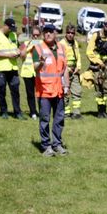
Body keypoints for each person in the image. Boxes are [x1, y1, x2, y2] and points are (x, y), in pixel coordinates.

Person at [33, 25, 70, 155]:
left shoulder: (61, 48)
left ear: (55, 33)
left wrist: (67, 86)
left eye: (50, 32)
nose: (48, 34)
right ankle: (46, 146)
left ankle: (57, 144)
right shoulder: (38, 48)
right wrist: (41, 63)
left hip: (59, 90)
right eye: (46, 32)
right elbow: (35, 68)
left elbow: (64, 69)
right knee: (45, 119)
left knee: (59, 118)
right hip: (44, 91)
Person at [0, 17, 22, 119]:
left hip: (13, 68)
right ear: (5, 26)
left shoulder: (13, 35)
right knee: (2, 90)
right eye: (10, 28)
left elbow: (17, 47)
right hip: (1, 68)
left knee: (16, 91)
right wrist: (8, 55)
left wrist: (18, 52)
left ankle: (17, 112)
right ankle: (4, 112)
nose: (11, 31)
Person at [89, 24, 107, 117]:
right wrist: (99, 62)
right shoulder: (95, 36)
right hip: (99, 67)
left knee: (106, 89)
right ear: (103, 24)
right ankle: (100, 111)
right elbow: (89, 52)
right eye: (106, 24)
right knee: (99, 88)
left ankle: (104, 110)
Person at [20, 22, 41, 120]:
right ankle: (33, 112)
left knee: (40, 93)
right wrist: (29, 47)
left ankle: (42, 111)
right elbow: (22, 56)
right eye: (34, 35)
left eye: (37, 35)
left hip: (39, 73)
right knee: (30, 93)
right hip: (27, 72)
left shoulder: (42, 44)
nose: (35, 37)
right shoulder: (25, 43)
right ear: (31, 35)